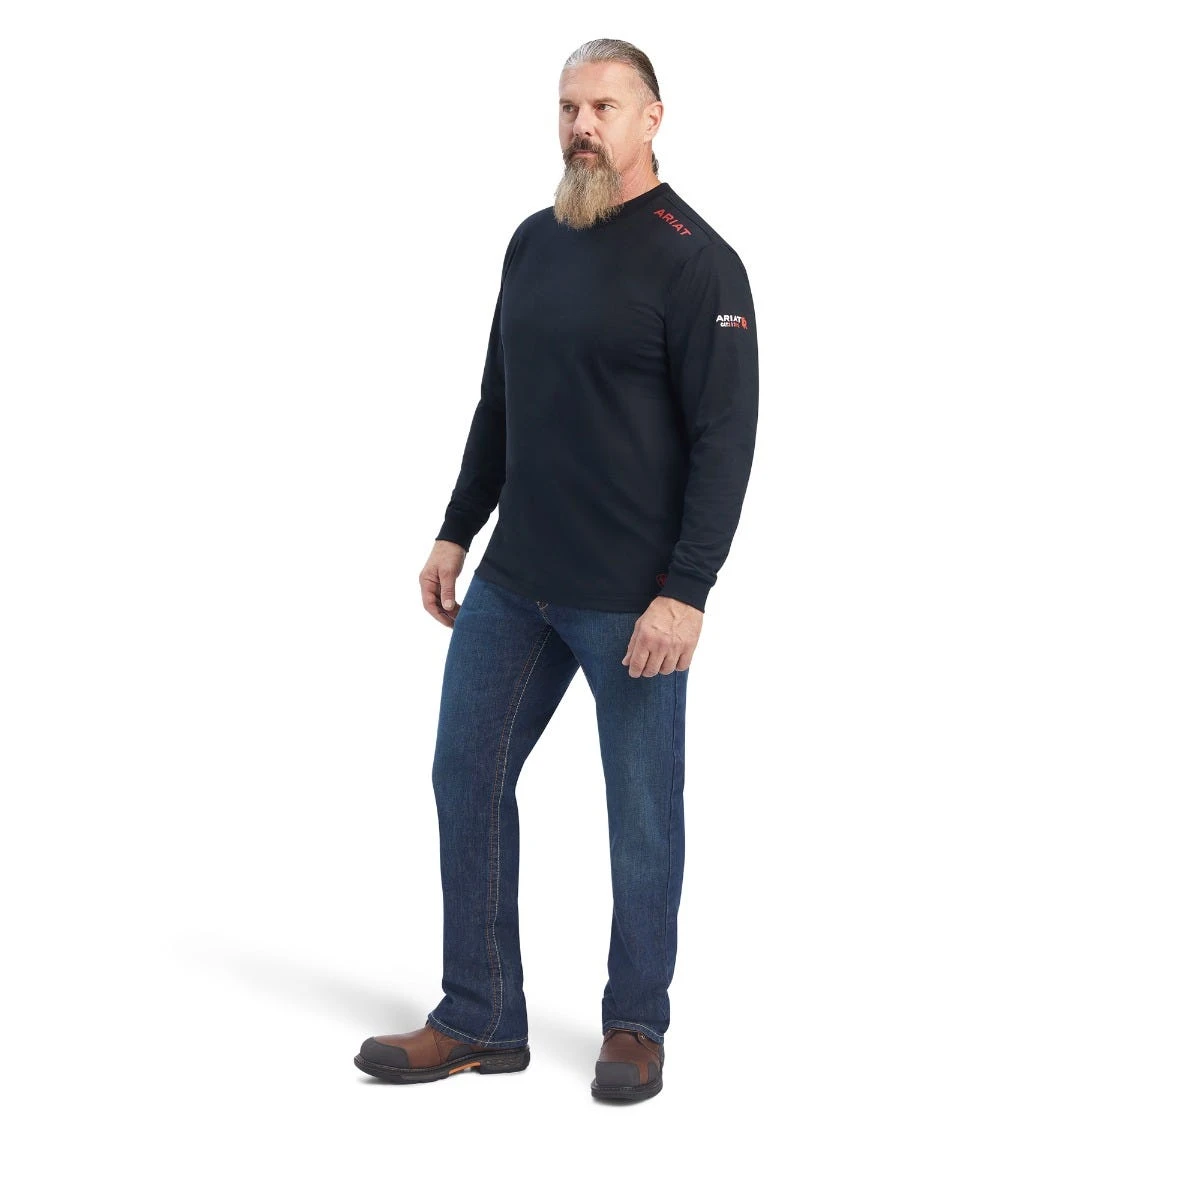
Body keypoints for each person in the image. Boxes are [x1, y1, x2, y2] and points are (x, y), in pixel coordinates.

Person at [354, 37, 758, 1102]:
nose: (582, 126)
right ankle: (480, 1014)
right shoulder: (534, 241)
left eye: (604, 108)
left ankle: (636, 1023)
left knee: (643, 816)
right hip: (515, 582)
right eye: (569, 107)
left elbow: (726, 440)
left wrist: (687, 592)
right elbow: (501, 399)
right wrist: (456, 529)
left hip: (633, 601)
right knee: (466, 777)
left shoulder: (699, 262)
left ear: (652, 119)